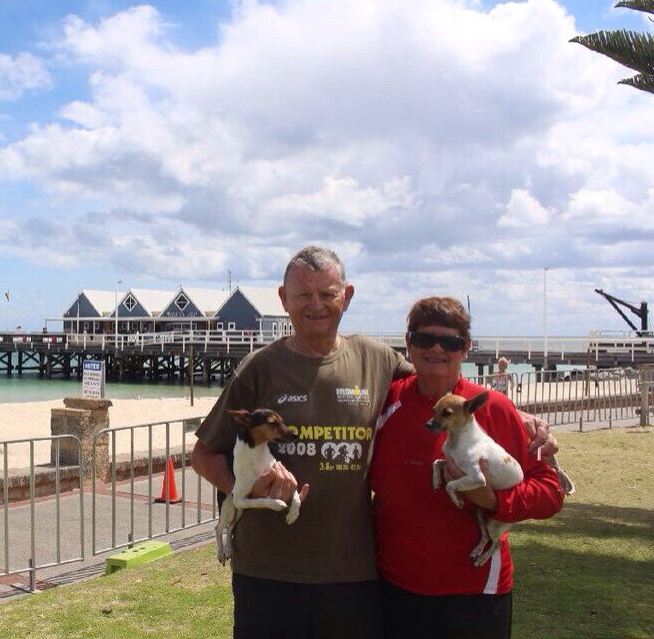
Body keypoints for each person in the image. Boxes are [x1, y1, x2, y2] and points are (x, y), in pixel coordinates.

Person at [192, 245, 414, 638]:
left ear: (346, 296)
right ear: (283, 299)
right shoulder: (259, 368)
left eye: (327, 294)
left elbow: (441, 391)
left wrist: (515, 419)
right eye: (303, 294)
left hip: (352, 571)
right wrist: (245, 487)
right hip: (267, 571)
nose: (316, 305)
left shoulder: (377, 360)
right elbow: (204, 454)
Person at [370, 297, 564, 638]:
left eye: (451, 342)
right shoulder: (384, 402)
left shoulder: (496, 410)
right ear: (408, 343)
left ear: (467, 348)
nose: (436, 349)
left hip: (477, 593)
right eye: (424, 339)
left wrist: (494, 502)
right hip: (394, 588)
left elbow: (550, 493)